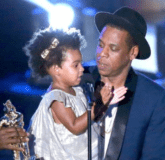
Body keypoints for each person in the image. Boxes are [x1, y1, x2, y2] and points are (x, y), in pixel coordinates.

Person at [80, 7, 165, 160]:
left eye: (113, 48)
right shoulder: (77, 79)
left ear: (132, 53)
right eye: (101, 45)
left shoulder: (153, 98)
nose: (102, 53)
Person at [24, 27, 126, 159]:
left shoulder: (77, 90)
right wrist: (99, 105)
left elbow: (88, 118)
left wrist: (106, 103)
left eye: (81, 64)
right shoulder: (56, 98)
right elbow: (75, 126)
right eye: (75, 65)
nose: (82, 69)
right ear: (56, 69)